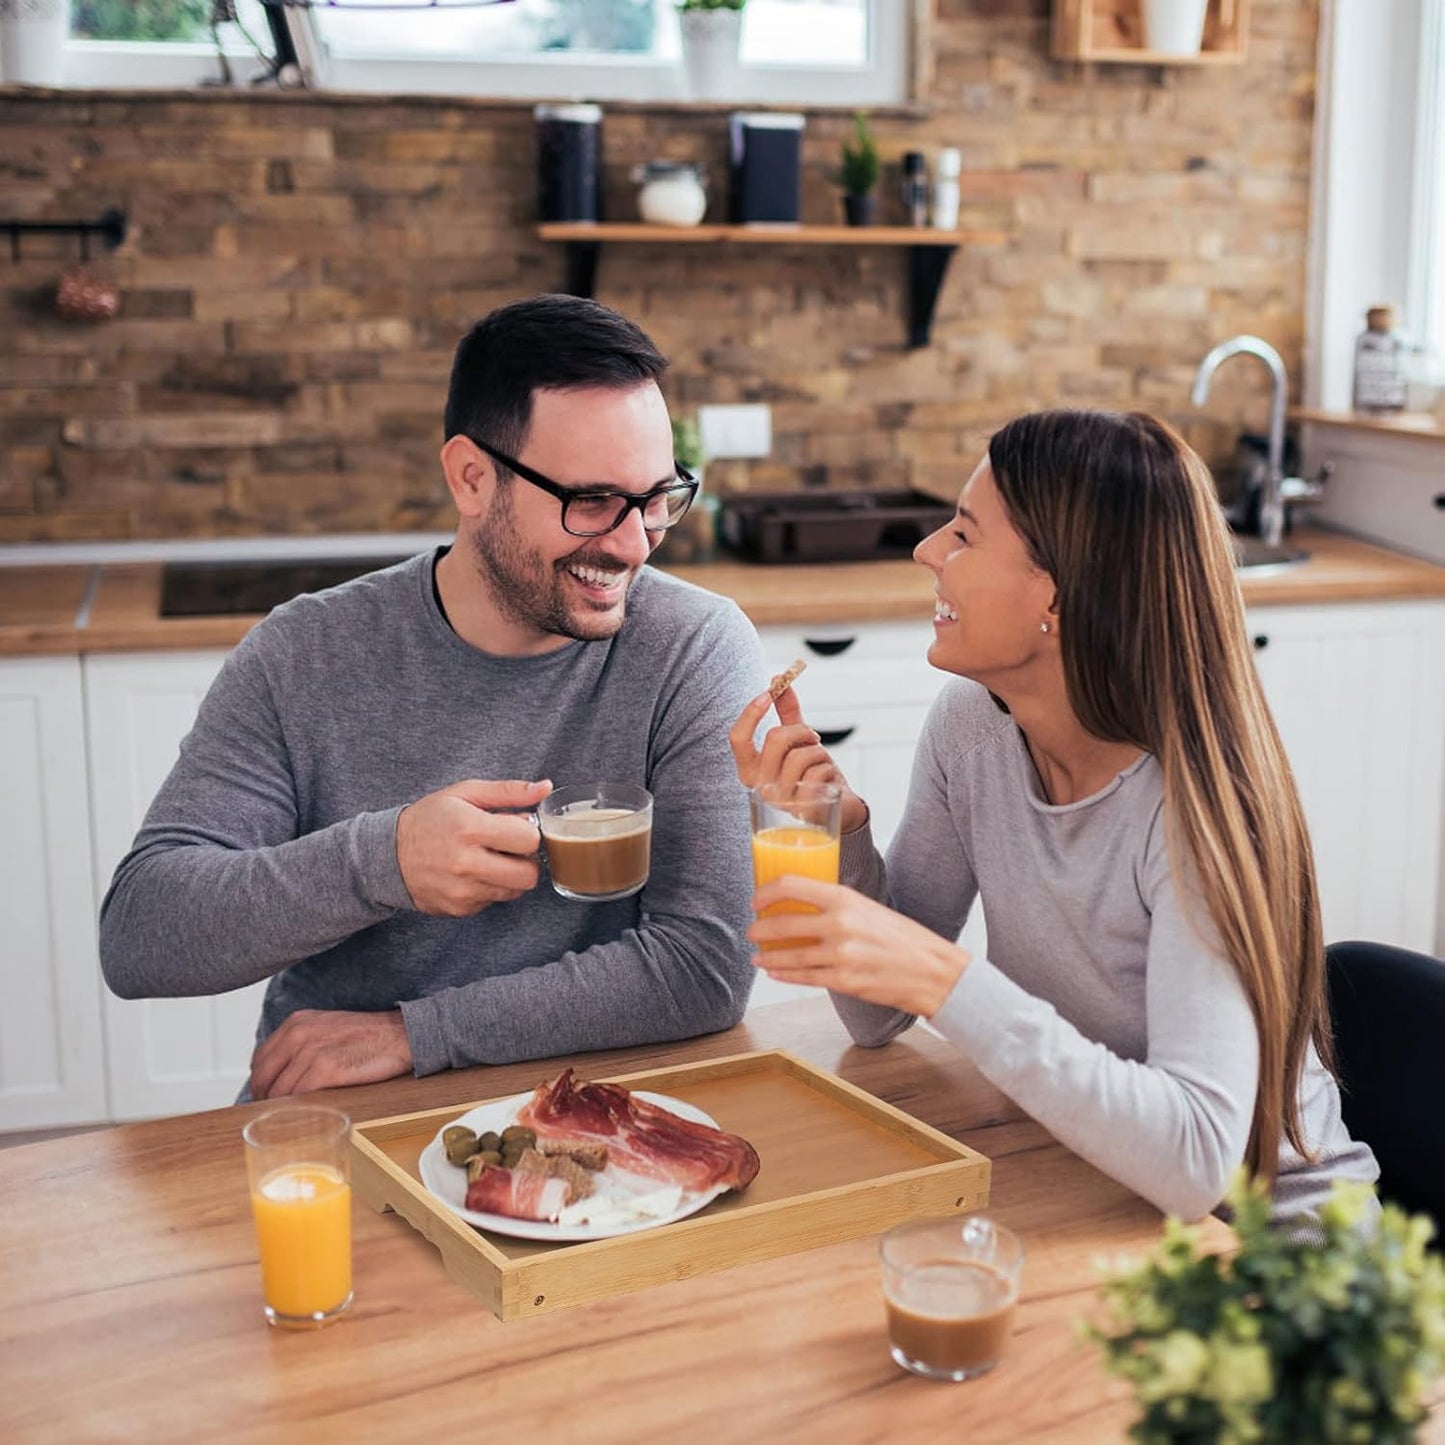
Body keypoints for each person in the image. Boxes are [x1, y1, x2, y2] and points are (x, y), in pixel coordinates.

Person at [100, 294, 765, 1100]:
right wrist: (385, 861)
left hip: (594, 1117)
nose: (633, 543)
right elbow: (140, 937)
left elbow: (702, 965)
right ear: (471, 477)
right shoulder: (304, 653)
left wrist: (417, 1033)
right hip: (347, 1118)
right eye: (590, 502)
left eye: (656, 498)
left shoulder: (693, 646)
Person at [730, 409, 1378, 1225]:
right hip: (1101, 1192)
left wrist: (945, 977)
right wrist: (837, 830)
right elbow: (875, 1017)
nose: (927, 550)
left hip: (1273, 1266)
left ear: (1058, 593)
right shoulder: (972, 727)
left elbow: (1196, 1165)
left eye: (964, 536)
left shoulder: (1196, 810)